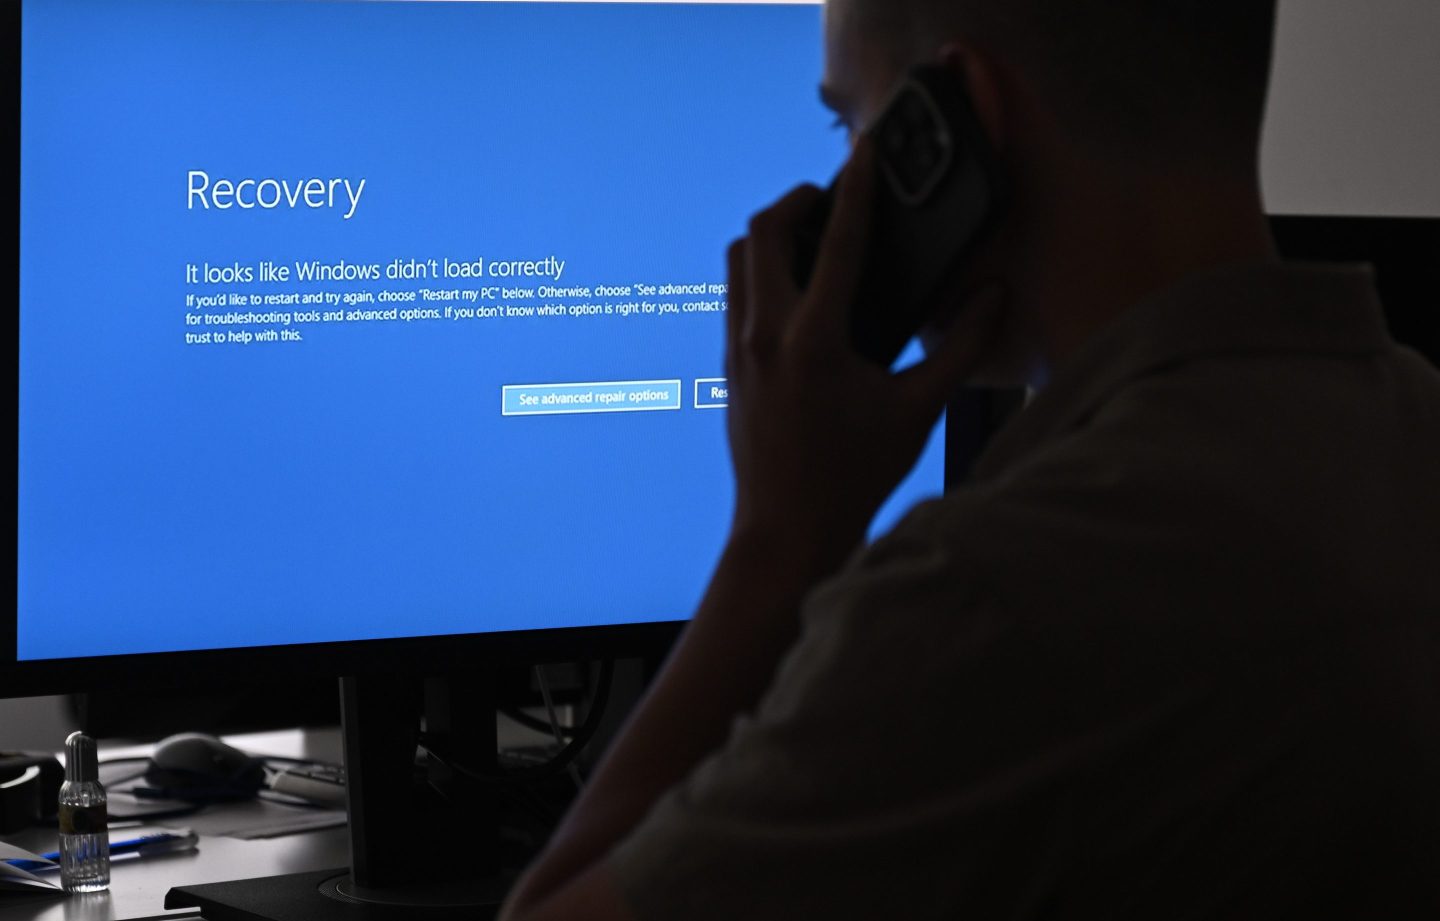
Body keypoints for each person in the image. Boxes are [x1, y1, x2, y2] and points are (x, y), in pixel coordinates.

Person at [499, 0, 1440, 917]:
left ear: (954, 126)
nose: (839, 183)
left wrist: (781, 535)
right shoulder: (1407, 424)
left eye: (850, 125)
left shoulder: (995, 595)